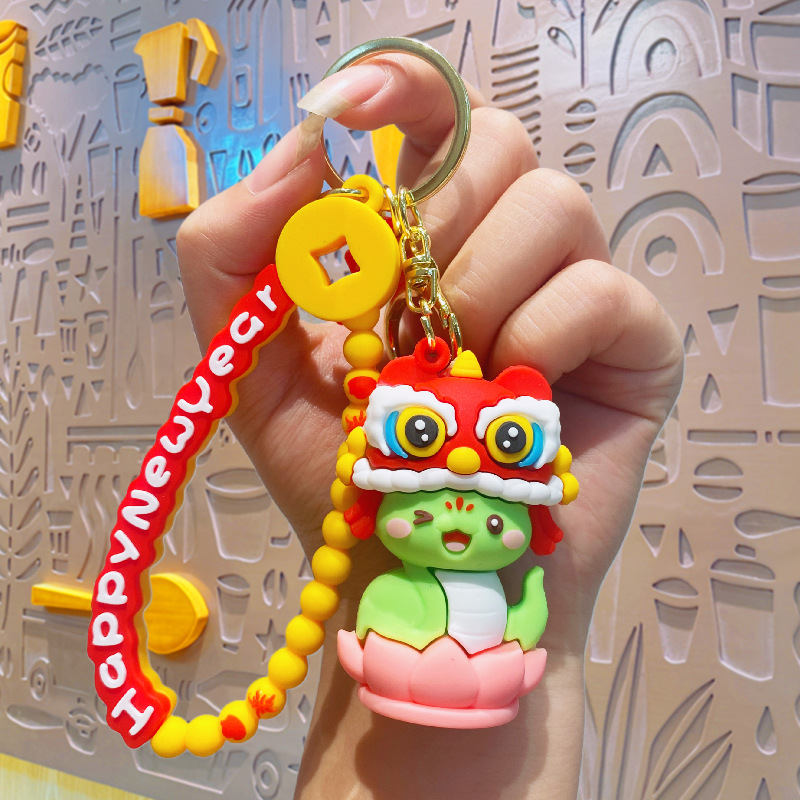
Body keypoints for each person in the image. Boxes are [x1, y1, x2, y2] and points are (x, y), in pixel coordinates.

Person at [176, 54, 683, 800]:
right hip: (415, 664)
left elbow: (525, 610)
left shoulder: (485, 515)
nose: (455, 520)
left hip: (480, 675)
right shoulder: (385, 547)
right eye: (427, 505)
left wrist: (542, 610)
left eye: (489, 513)